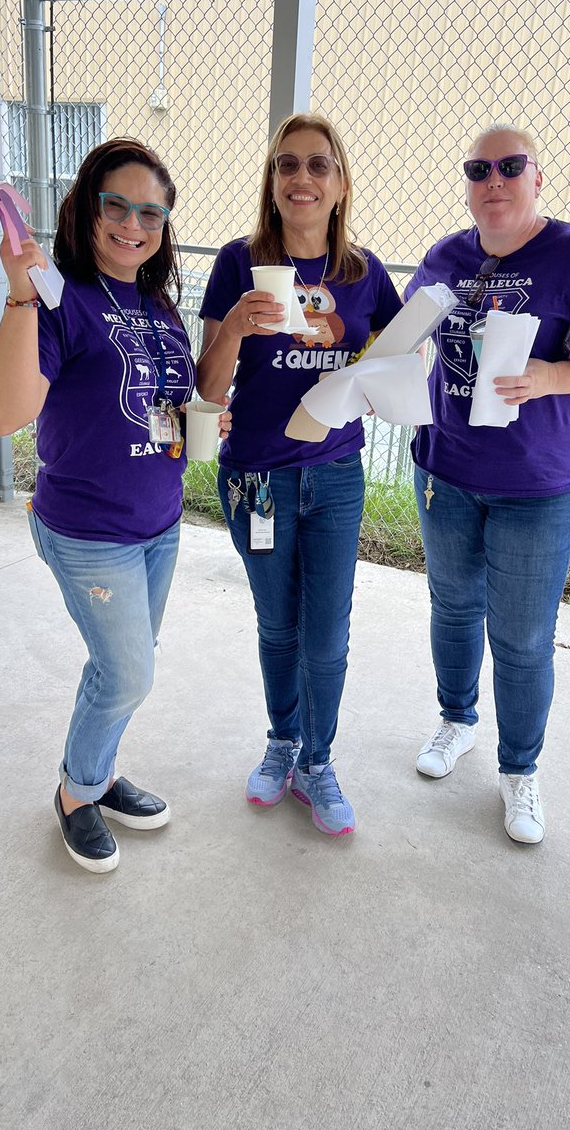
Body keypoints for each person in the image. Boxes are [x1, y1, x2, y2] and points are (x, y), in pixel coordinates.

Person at [0, 139, 230, 873]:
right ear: (86, 208)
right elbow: (3, 411)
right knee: (126, 673)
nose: (132, 223)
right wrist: (22, 295)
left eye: (150, 212)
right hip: (89, 530)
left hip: (158, 523)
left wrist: (203, 421)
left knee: (127, 665)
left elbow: (162, 408)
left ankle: (101, 770)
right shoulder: (59, 297)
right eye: (115, 205)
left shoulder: (156, 305)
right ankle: (77, 793)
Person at [408, 122, 570, 844]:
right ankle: (457, 722)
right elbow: (403, 334)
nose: (494, 181)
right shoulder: (447, 257)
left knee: (521, 636)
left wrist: (556, 376)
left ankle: (519, 771)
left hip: (538, 484)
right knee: (453, 609)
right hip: (445, 472)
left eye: (510, 167)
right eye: (478, 168)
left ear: (538, 178)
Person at [196, 112, 402, 836]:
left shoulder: (364, 273)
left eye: (318, 165)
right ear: (272, 183)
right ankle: (282, 743)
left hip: (336, 475)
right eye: (287, 165)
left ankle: (319, 758)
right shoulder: (236, 262)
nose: (302, 178)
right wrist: (236, 330)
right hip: (256, 480)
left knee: (328, 632)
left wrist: (380, 383)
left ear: (341, 184)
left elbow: (399, 358)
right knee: (278, 624)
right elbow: (208, 388)